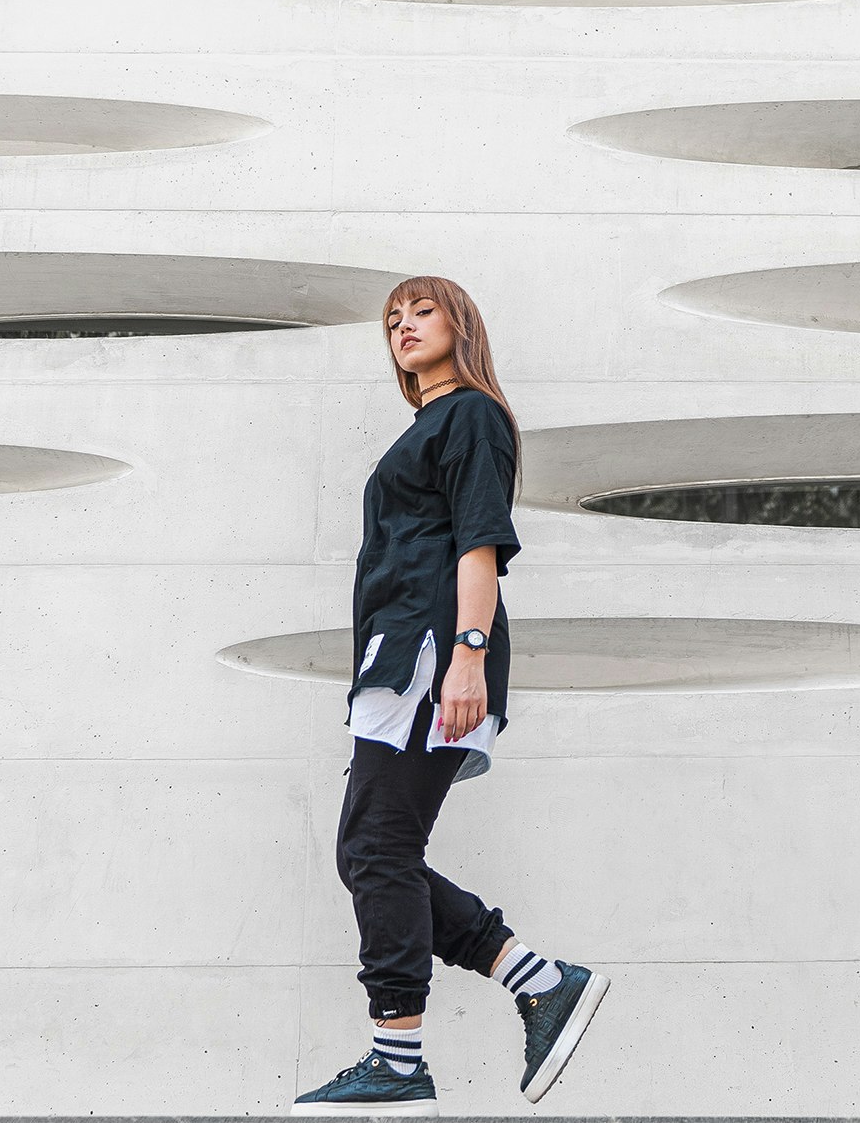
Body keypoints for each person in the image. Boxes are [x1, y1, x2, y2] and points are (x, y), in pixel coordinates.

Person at [293, 275, 609, 1110]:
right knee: (368, 851)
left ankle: (398, 1055)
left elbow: (480, 542)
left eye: (422, 310)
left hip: (428, 655)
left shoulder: (470, 413)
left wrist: (468, 654)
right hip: (397, 660)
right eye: (392, 317)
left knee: (376, 851)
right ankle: (536, 978)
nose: (403, 325)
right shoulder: (430, 423)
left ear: (460, 323)